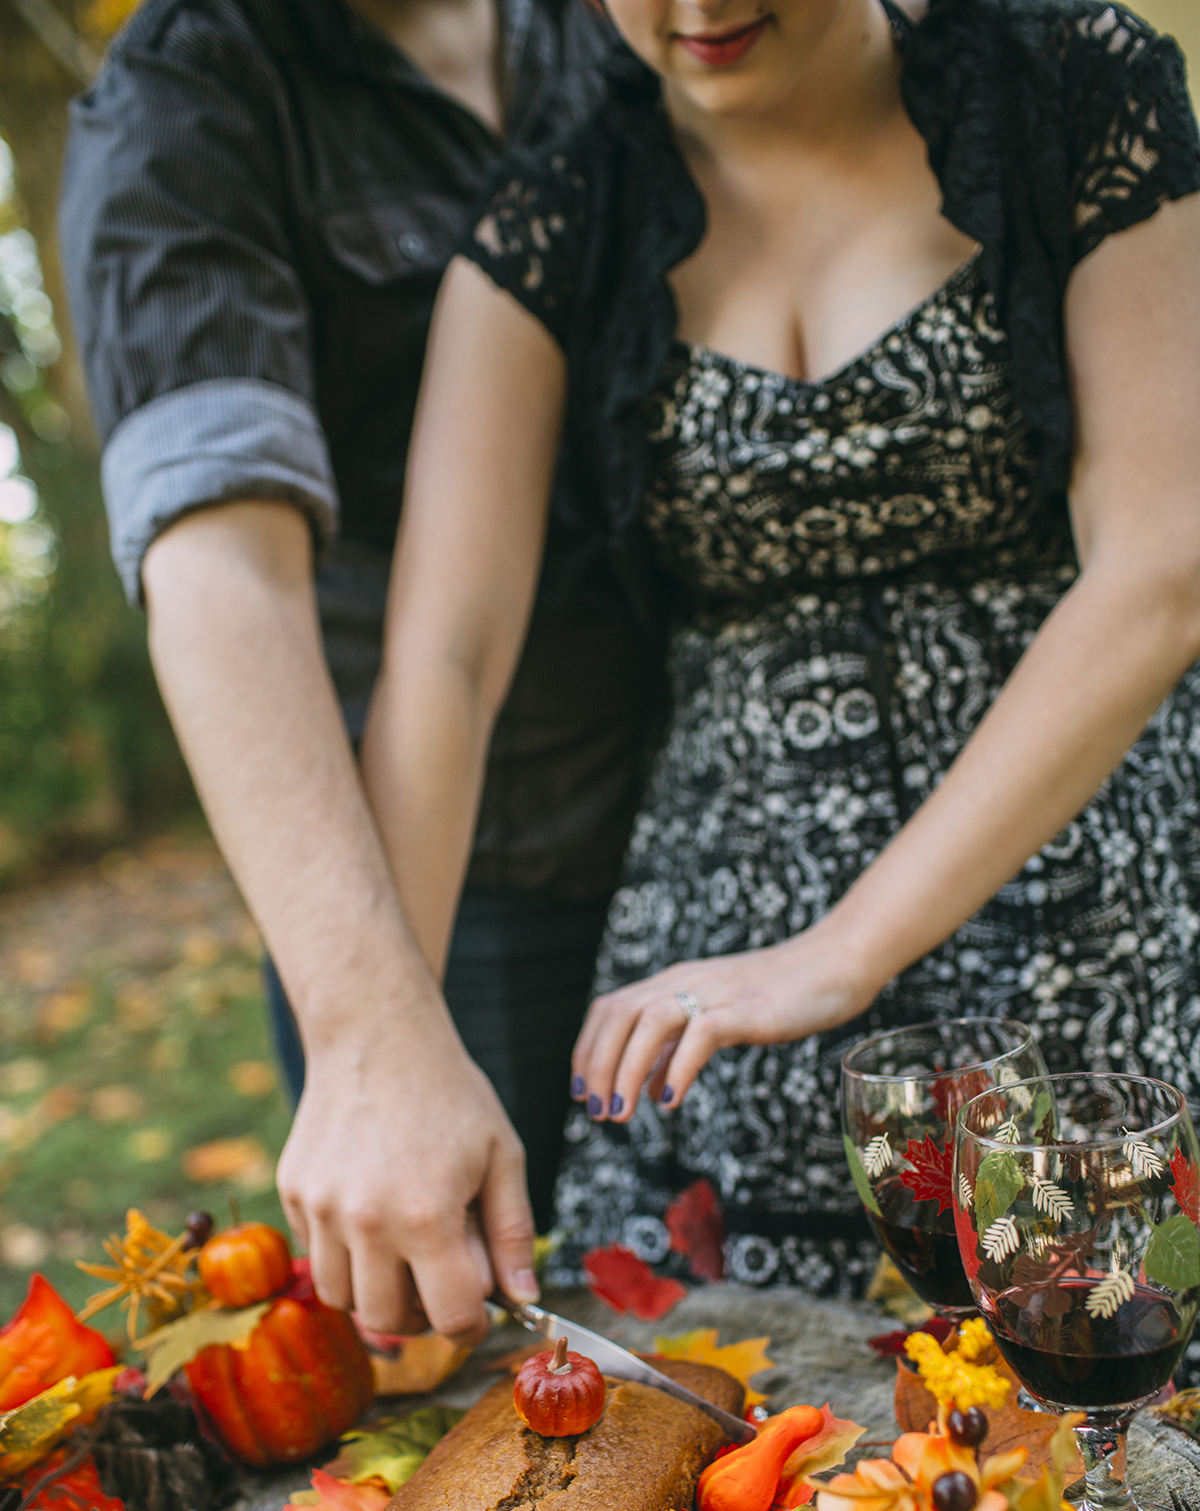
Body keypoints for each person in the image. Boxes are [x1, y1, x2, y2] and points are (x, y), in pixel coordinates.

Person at [360, 0, 1200, 1297]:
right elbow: (445, 664)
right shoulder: (554, 219)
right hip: (715, 992)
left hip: (1090, 907)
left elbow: (1164, 567)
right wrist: (387, 1050)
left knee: (1118, 1411)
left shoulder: (1073, 84)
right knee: (746, 1452)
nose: (697, 8)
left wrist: (839, 952)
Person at [58, 0, 663, 1340]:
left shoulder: (609, 25)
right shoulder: (182, 107)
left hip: (722, 824)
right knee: (481, 1366)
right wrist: (372, 1024)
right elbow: (225, 571)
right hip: (452, 887)